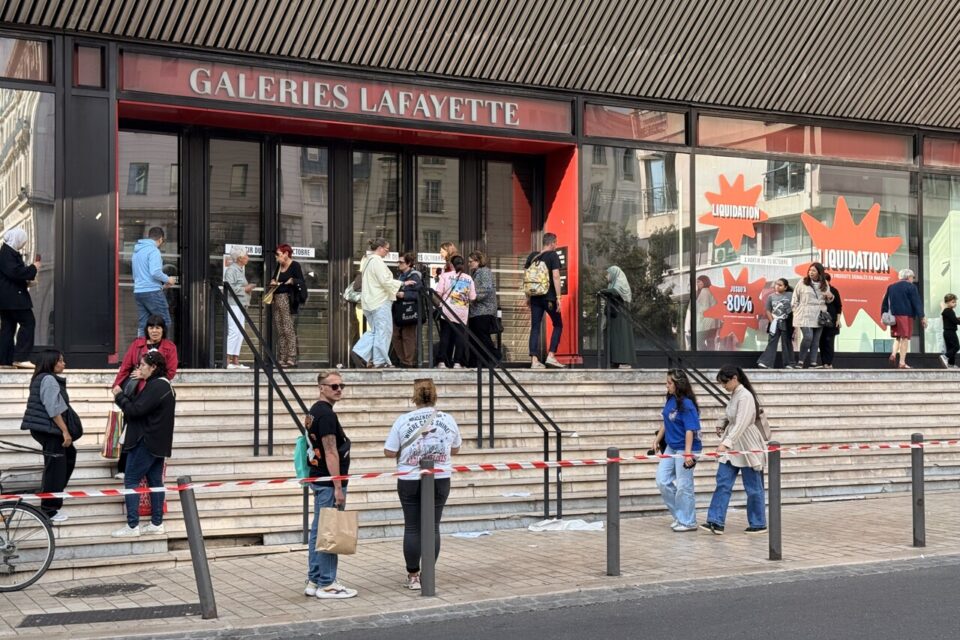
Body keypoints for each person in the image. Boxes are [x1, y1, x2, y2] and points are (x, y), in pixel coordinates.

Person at [383, 378, 462, 590]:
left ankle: (413, 575)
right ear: (435, 395)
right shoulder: (448, 419)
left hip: (409, 477)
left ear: (414, 397)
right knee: (433, 526)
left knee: (412, 526)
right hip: (440, 476)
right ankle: (429, 573)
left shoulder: (403, 420)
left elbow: (389, 450)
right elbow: (455, 448)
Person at [303, 371, 357, 599]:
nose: (339, 389)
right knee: (330, 530)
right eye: (334, 386)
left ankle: (315, 579)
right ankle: (327, 583)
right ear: (321, 387)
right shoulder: (325, 415)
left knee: (319, 530)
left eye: (341, 385)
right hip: (328, 480)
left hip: (320, 477)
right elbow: (331, 451)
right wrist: (337, 486)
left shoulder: (315, 411)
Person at [111, 350, 176, 537]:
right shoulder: (164, 385)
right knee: (156, 482)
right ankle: (156, 523)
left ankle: (132, 526)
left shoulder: (156, 386)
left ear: (154, 367)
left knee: (131, 479)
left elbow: (135, 410)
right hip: (158, 443)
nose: (139, 368)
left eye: (143, 366)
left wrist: (119, 396)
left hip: (145, 441)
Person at [701, 365, 767, 535]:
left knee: (753, 487)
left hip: (747, 444)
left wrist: (726, 442)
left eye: (725, 383)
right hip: (734, 443)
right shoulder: (736, 395)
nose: (723, 386)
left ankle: (758, 522)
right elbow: (731, 415)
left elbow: (742, 422)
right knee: (723, 482)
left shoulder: (745, 396)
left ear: (734, 378)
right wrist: (721, 423)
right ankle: (716, 520)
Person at [112, 314, 178, 479]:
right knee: (130, 426)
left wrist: (146, 376)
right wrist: (117, 385)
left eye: (158, 327)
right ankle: (123, 466)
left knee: (147, 427)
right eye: (151, 327)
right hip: (134, 390)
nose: (154, 331)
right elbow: (126, 366)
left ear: (163, 329)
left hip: (153, 392)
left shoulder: (170, 347)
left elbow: (170, 371)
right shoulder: (138, 344)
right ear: (146, 329)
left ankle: (142, 468)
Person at [19, 349, 76, 522]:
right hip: (50, 430)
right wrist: (65, 431)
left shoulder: (40, 377)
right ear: (51, 362)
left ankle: (52, 495)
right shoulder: (49, 379)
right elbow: (54, 408)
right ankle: (49, 509)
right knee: (56, 468)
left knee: (66, 458)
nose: (63, 364)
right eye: (60, 361)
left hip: (44, 428)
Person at [653, 369, 701, 532]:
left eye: (669, 383)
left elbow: (690, 430)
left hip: (686, 447)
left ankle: (688, 521)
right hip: (671, 446)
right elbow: (666, 421)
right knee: (662, 480)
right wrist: (657, 440)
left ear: (678, 384)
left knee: (684, 485)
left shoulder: (687, 404)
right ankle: (680, 516)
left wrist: (688, 453)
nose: (667, 386)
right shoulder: (670, 400)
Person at [352, 238, 401, 368]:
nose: (388, 251)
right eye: (387, 249)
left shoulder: (368, 261)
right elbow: (384, 281)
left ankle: (361, 351)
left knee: (376, 331)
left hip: (369, 301)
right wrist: (402, 284)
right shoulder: (377, 261)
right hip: (380, 301)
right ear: (380, 248)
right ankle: (379, 360)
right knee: (383, 331)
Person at [0, 228, 40, 368]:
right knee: (28, 322)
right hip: (14, 299)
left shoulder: (7, 252)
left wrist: (27, 280)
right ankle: (21, 357)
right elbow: (15, 272)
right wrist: (33, 268)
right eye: (23, 241)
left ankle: (4, 360)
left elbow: (11, 275)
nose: (23, 244)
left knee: (8, 328)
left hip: (7, 299)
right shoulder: (7, 254)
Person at [525, 232, 563, 369]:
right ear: (552, 243)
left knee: (535, 327)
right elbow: (556, 276)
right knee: (558, 324)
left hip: (535, 297)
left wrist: (528, 297)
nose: (556, 245)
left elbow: (527, 279)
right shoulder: (553, 255)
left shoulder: (532, 256)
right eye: (556, 243)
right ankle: (551, 355)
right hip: (549, 298)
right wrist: (558, 297)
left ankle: (534, 360)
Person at [434, 255, 476, 368]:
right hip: (462, 313)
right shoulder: (469, 278)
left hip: (447, 311)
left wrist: (438, 304)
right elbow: (472, 297)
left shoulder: (445, 276)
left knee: (445, 335)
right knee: (460, 337)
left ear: (452, 264)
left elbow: (438, 293)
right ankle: (457, 362)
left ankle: (442, 361)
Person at [132, 227, 175, 338]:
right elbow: (155, 272)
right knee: (164, 322)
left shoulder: (137, 251)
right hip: (152, 292)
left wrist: (161, 285)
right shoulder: (153, 250)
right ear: (160, 239)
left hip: (139, 292)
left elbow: (138, 274)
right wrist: (168, 279)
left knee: (143, 325)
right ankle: (163, 353)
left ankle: (142, 352)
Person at [880, 268, 927, 369]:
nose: (913, 279)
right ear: (908, 277)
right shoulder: (911, 287)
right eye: (912, 277)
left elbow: (885, 302)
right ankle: (902, 362)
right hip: (906, 316)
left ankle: (893, 353)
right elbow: (916, 302)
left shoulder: (891, 287)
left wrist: (883, 314)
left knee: (898, 337)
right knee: (905, 338)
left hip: (894, 316)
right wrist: (922, 316)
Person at [791, 262, 834, 369]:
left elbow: (828, 301)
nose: (811, 272)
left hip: (819, 314)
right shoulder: (802, 282)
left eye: (813, 271)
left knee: (816, 340)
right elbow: (795, 298)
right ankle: (800, 361)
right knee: (808, 337)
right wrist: (796, 310)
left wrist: (830, 297)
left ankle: (813, 363)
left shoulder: (825, 284)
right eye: (810, 270)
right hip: (804, 313)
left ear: (819, 272)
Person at [270, 244, 306, 367]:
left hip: (288, 299)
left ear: (286, 254)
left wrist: (292, 281)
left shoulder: (295, 265)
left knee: (288, 328)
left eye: (278, 255)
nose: (277, 257)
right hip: (277, 299)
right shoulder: (279, 266)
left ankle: (291, 357)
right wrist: (273, 282)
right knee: (280, 329)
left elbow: (301, 281)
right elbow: (274, 279)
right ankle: (282, 357)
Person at [224, 246, 256, 369]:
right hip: (234, 304)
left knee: (240, 332)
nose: (248, 257)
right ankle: (227, 360)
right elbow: (229, 287)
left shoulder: (239, 270)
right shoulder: (232, 270)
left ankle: (235, 360)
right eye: (246, 255)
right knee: (234, 331)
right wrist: (246, 289)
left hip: (241, 304)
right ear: (240, 258)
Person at [467, 250, 500, 366]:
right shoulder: (476, 273)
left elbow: (486, 289)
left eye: (471, 261)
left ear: (478, 261)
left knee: (482, 336)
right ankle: (482, 362)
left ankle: (495, 357)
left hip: (484, 310)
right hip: (476, 311)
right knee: (477, 337)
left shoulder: (484, 272)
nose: (469, 264)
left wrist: (472, 297)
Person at [599, 265, 636, 368]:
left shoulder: (620, 282)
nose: (606, 276)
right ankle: (614, 360)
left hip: (621, 317)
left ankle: (623, 360)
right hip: (614, 316)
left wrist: (603, 291)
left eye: (608, 274)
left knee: (621, 338)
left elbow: (616, 292)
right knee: (613, 338)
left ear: (614, 273)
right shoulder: (612, 284)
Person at [392, 252, 423, 367]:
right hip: (398, 309)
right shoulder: (400, 275)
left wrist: (403, 295)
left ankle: (408, 361)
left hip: (409, 310)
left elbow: (418, 293)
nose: (398, 264)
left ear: (409, 263)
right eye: (398, 262)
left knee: (408, 336)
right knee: (395, 335)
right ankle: (403, 360)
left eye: (401, 262)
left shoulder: (414, 275)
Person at [757, 278, 795, 369]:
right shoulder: (771, 296)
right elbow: (768, 310)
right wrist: (772, 321)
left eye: (780, 285)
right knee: (772, 342)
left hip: (787, 322)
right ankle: (766, 363)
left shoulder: (790, 295)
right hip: (774, 322)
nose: (777, 286)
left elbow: (795, 306)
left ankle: (789, 363)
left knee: (786, 342)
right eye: (776, 284)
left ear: (785, 287)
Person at [818, 273, 842, 368]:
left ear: (828, 281)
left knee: (829, 342)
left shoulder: (834, 291)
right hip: (819, 320)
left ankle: (829, 363)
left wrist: (838, 320)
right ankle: (824, 363)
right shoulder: (817, 291)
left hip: (831, 320)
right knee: (821, 342)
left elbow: (839, 306)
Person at [942, 293, 958, 369]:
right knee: (956, 347)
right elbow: (955, 321)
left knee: (950, 348)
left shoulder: (948, 311)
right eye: (953, 302)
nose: (955, 304)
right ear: (947, 302)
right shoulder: (949, 311)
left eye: (955, 302)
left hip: (947, 332)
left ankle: (950, 364)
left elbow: (953, 319)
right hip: (950, 332)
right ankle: (945, 356)